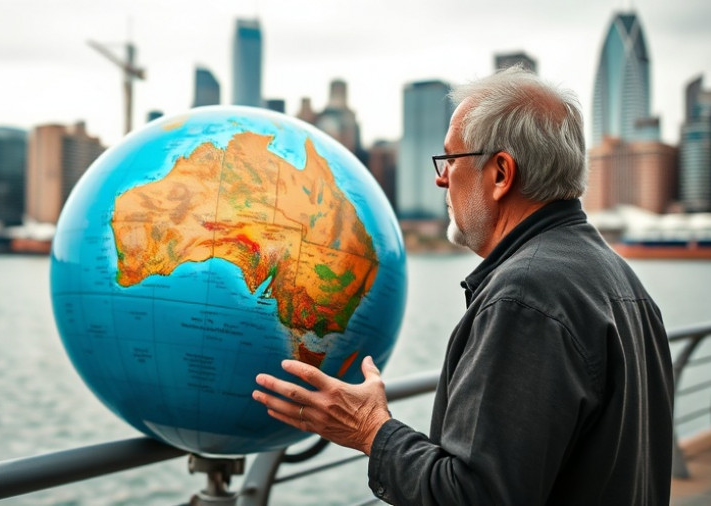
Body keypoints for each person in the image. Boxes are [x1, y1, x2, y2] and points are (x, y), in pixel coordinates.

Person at [252, 66, 674, 505]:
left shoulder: (525, 298)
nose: (441, 177)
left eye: (451, 159)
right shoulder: (620, 280)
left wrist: (371, 431)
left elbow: (475, 495)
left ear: (500, 174)